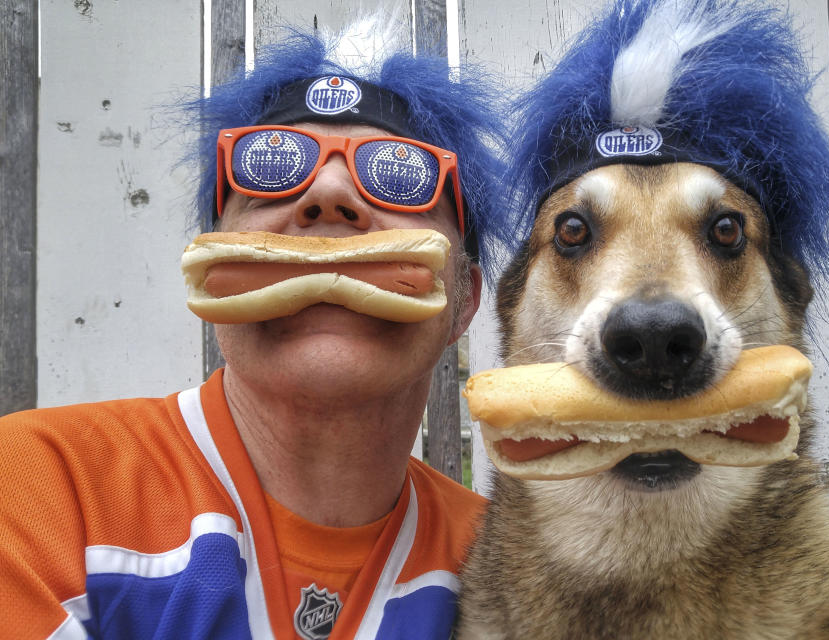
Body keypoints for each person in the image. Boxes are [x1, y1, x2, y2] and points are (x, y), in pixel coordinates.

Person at [0, 20, 512, 640]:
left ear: (464, 299)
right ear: (216, 263)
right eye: (269, 165)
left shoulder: (507, 573)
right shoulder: (37, 486)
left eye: (399, 174)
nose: (327, 192)